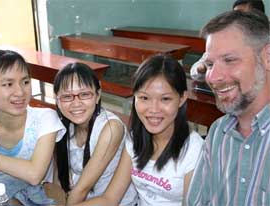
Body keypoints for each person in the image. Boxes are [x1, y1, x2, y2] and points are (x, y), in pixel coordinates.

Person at [73, 54, 204, 206]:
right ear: (134, 97)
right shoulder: (135, 139)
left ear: (182, 99)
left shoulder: (194, 150)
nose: (153, 109)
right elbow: (109, 199)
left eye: (165, 99)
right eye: (144, 98)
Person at [187, 10, 270, 205]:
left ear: (267, 57)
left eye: (230, 60)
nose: (213, 77)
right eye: (209, 64)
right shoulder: (217, 133)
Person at [0, 50, 65, 204]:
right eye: (8, 84)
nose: (20, 92)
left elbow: (34, 175)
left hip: (37, 197)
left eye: (25, 82)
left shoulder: (45, 119)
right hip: (0, 194)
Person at [53, 62, 137, 206]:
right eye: (67, 96)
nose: (76, 103)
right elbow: (58, 181)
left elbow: (82, 189)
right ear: (57, 99)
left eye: (84, 94)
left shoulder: (110, 129)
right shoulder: (61, 125)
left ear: (98, 95)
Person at [190, 0, 265, 82]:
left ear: (259, 17)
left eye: (244, 16)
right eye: (235, 15)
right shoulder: (228, 37)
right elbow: (195, 72)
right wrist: (203, 67)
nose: (238, 20)